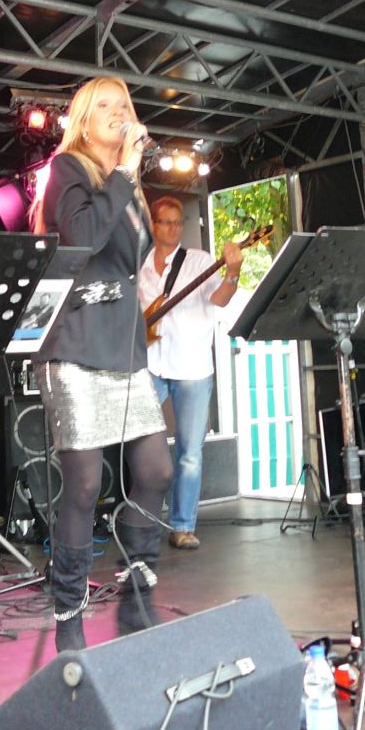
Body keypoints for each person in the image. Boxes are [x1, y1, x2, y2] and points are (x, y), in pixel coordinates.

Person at [32, 76, 173, 652]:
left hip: (124, 347)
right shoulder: (67, 170)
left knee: (156, 470)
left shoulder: (129, 187)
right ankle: (68, 613)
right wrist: (124, 173)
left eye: (125, 106)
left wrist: (128, 178)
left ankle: (136, 590)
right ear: (85, 122)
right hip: (76, 343)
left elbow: (131, 262)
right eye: (106, 107)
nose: (119, 114)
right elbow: (85, 235)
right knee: (86, 481)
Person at [138, 197, 243, 550]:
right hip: (151, 364)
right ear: (153, 225)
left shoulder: (199, 261)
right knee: (138, 442)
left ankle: (182, 525)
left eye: (178, 222)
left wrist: (232, 272)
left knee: (190, 452)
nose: (173, 228)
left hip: (192, 366)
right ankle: (141, 518)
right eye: (166, 222)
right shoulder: (140, 265)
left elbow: (221, 299)